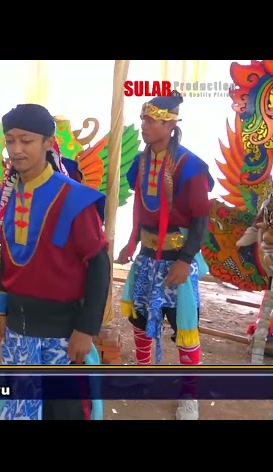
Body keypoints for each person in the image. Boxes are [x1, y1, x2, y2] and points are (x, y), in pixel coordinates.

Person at [0, 103, 109, 420]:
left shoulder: (75, 199)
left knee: (62, 412)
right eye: (10, 140)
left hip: (62, 330)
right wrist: (2, 307)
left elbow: (99, 264)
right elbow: (9, 259)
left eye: (26, 140)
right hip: (17, 326)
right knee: (19, 407)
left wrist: (86, 328)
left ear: (48, 143)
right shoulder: (4, 200)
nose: (16, 149)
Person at [116, 93, 213, 421]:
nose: (143, 125)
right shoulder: (140, 163)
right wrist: (131, 243)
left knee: (184, 326)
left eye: (150, 120)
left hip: (177, 259)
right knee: (139, 320)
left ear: (170, 124)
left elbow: (201, 218)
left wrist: (186, 260)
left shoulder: (191, 166)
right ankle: (144, 376)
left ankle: (190, 394)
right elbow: (141, 207)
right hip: (146, 257)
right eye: (143, 119)